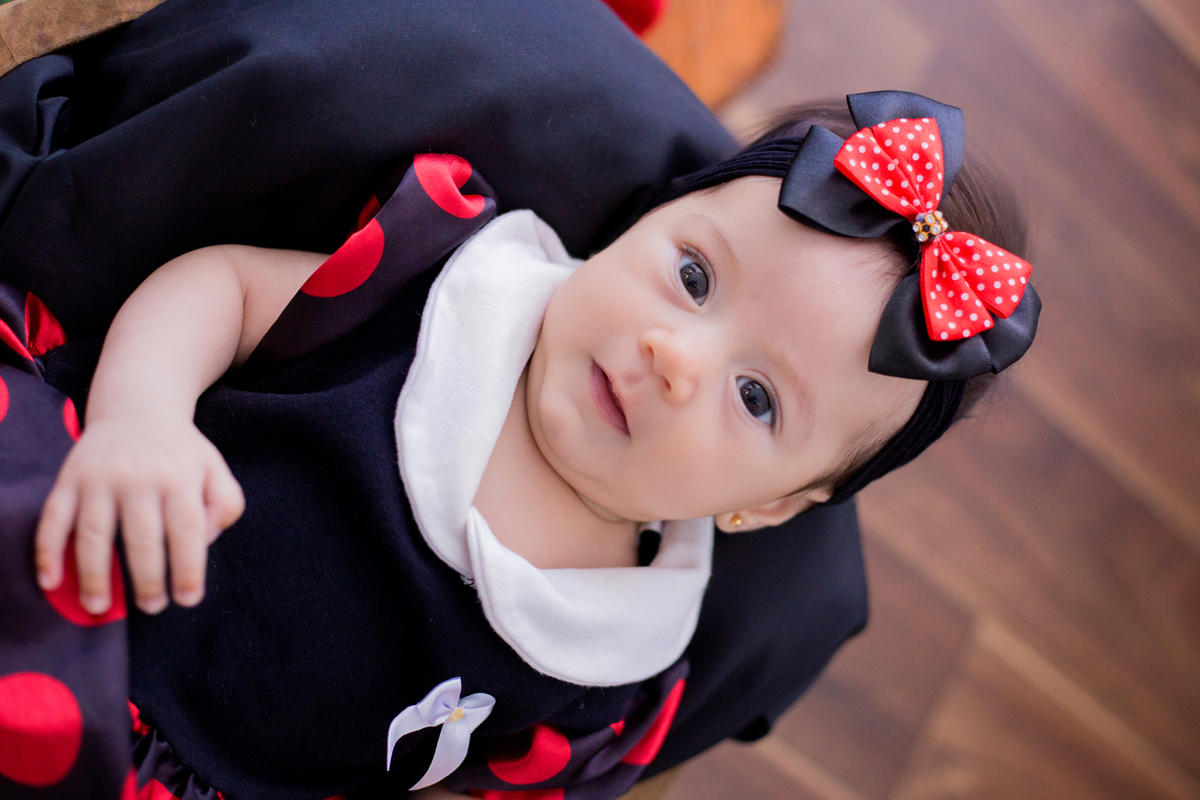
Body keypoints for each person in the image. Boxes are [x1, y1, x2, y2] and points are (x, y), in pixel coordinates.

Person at [1, 86, 1038, 800]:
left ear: (767, 504)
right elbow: (224, 287)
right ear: (647, 217)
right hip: (67, 529)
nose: (674, 354)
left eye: (758, 398)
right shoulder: (444, 282)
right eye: (692, 275)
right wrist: (144, 412)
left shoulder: (612, 677)